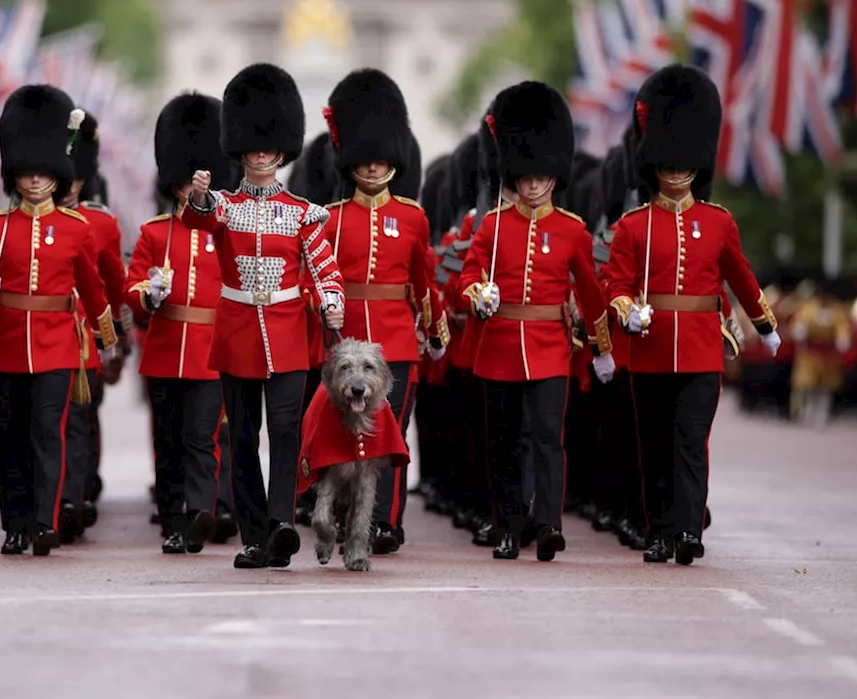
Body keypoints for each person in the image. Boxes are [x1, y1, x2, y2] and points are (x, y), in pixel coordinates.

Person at [605, 64, 780, 566]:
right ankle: (659, 532)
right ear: (653, 162)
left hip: (703, 346)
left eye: (685, 161)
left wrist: (764, 324)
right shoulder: (634, 226)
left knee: (690, 444)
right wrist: (626, 311)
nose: (677, 169)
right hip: (651, 348)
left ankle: (687, 531)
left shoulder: (718, 222)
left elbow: (741, 278)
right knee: (655, 448)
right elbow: (615, 283)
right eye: (668, 161)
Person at [182, 63, 344, 570]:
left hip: (287, 330)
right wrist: (202, 194)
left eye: (267, 147)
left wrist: (334, 299)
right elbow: (199, 217)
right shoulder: (225, 206)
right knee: (244, 435)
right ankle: (253, 535)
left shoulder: (302, 211)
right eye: (252, 146)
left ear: (280, 149)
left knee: (286, 431)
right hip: (237, 332)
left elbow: (322, 264)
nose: (259, 154)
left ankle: (279, 524)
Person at [458, 81, 615, 561]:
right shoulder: (492, 225)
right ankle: (509, 526)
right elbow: (468, 274)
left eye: (539, 176)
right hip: (500, 345)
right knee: (503, 444)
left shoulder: (571, 230)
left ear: (552, 175)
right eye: (524, 177)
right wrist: (476, 295)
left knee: (549, 438)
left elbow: (589, 293)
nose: (530, 184)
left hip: (549, 346)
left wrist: (602, 348)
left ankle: (548, 523)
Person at [0, 84, 117, 557]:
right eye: (26, 174)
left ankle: (45, 523)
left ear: (56, 174)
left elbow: (91, 289)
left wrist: (107, 340)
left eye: (42, 173)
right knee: (10, 439)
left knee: (47, 436)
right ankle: (15, 524)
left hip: (56, 347)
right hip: (9, 345)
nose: (34, 181)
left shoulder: (76, 230)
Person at [322, 68, 448, 553]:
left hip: (395, 341)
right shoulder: (331, 218)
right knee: (342, 429)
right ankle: (339, 511)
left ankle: (384, 521)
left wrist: (435, 331)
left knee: (390, 431)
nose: (372, 168)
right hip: (345, 342)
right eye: (364, 160)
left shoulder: (412, 216)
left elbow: (423, 282)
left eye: (380, 159)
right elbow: (322, 279)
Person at [126, 92, 231, 554]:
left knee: (201, 438)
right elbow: (132, 288)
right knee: (167, 444)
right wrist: (147, 296)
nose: (190, 190)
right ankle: (173, 521)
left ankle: (201, 511)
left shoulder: (225, 231)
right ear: (172, 184)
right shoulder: (153, 233)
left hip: (211, 353)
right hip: (165, 348)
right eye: (184, 182)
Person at [58, 111, 127, 540]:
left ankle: (74, 494)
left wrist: (115, 340)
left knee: (80, 421)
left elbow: (113, 287)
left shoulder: (100, 222)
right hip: (36, 337)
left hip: (84, 338)